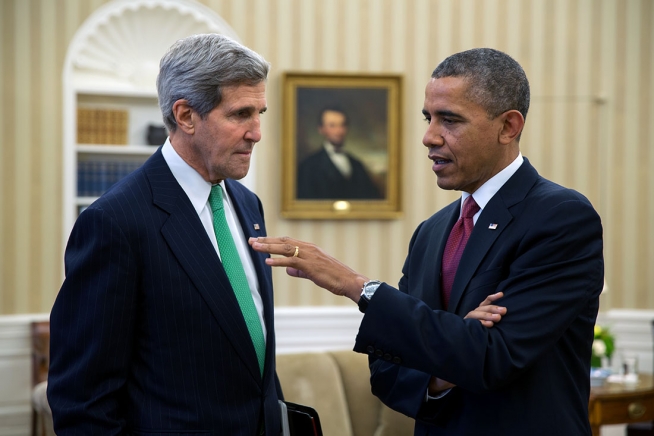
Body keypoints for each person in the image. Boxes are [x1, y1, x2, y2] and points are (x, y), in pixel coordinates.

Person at [251, 48, 604, 435]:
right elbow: (387, 373)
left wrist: (357, 287)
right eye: (428, 118)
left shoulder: (560, 217)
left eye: (449, 120)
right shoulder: (432, 232)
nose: (428, 137)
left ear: (508, 126)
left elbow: (492, 359)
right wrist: (446, 368)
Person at [48, 34, 283, 435]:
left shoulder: (247, 204)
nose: (257, 132)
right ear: (186, 116)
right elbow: (82, 400)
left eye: (259, 112)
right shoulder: (114, 222)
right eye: (241, 114)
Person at [296, 106, 382, 199]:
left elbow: (372, 199)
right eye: (332, 125)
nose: (339, 131)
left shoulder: (357, 165)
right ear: (321, 129)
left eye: (342, 125)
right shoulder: (308, 166)